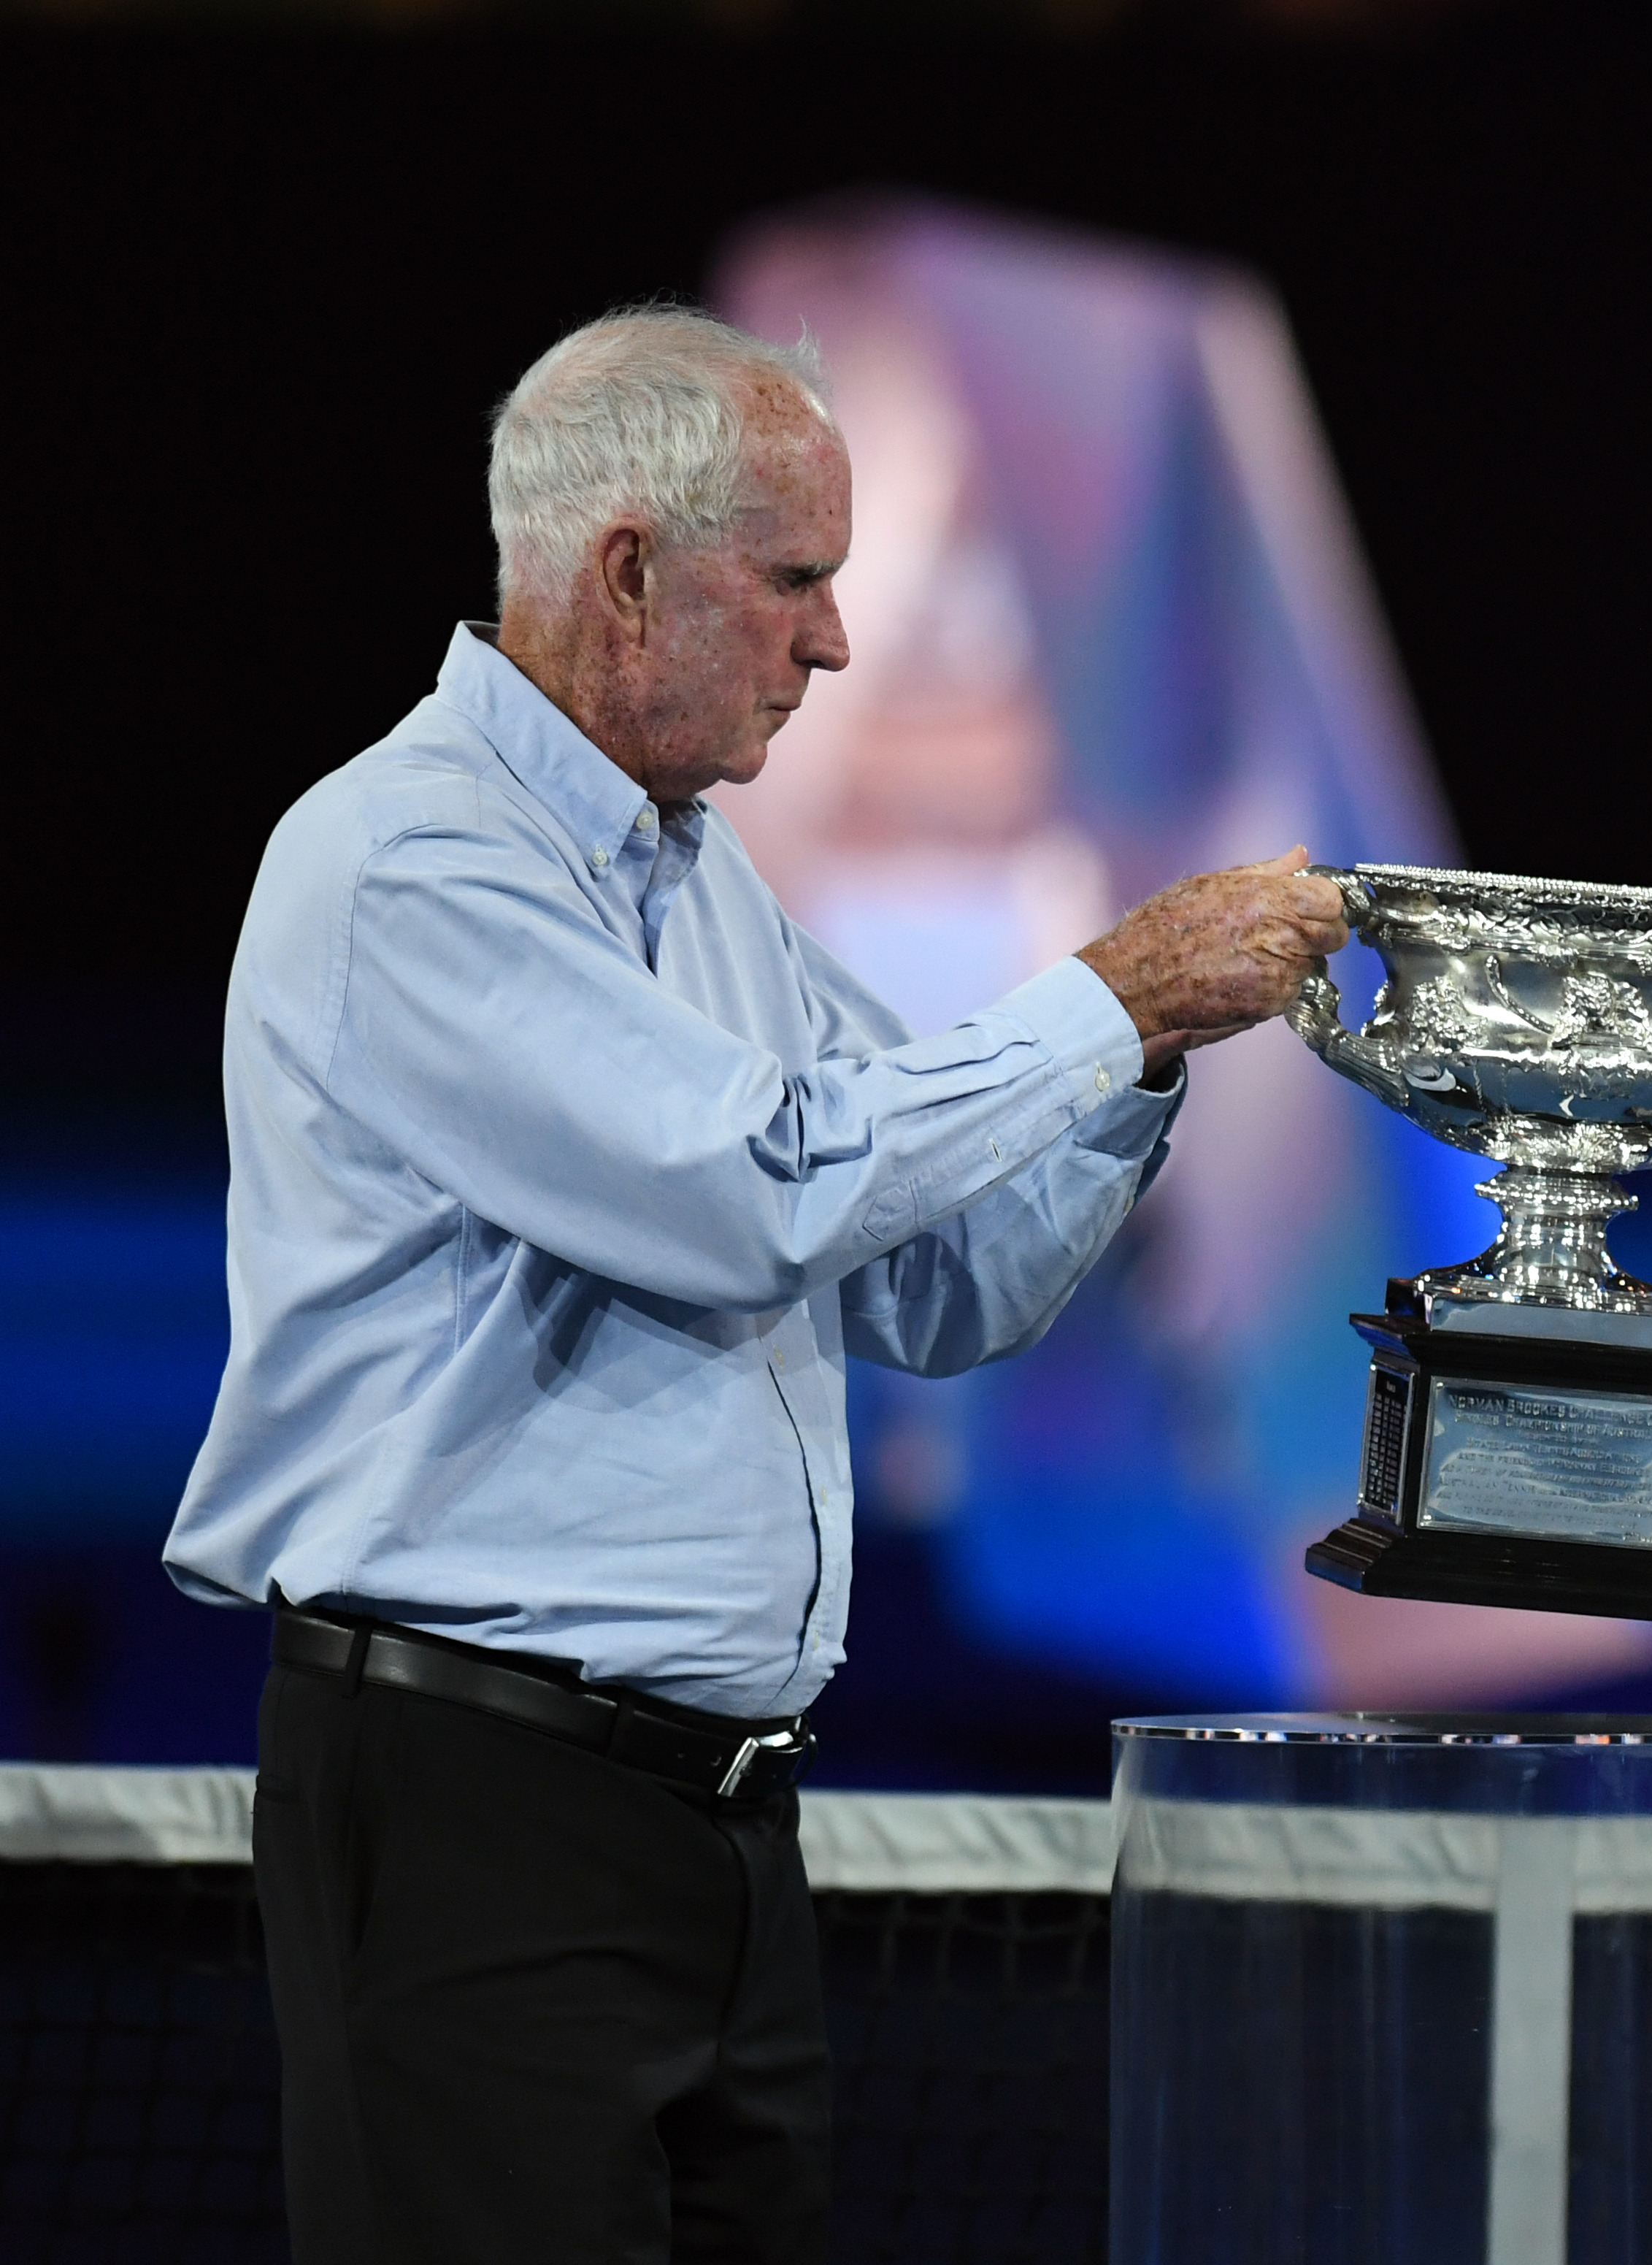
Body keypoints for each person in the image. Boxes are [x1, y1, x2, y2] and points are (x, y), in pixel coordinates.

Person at [162, 307, 1348, 2264]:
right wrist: (1111, 988)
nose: (834, 641)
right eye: (794, 579)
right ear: (626, 571)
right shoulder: (406, 864)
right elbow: (765, 1193)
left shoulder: (701, 880)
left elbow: (940, 1281)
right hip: (476, 1809)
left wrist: (1136, 1069)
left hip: (715, 1829)